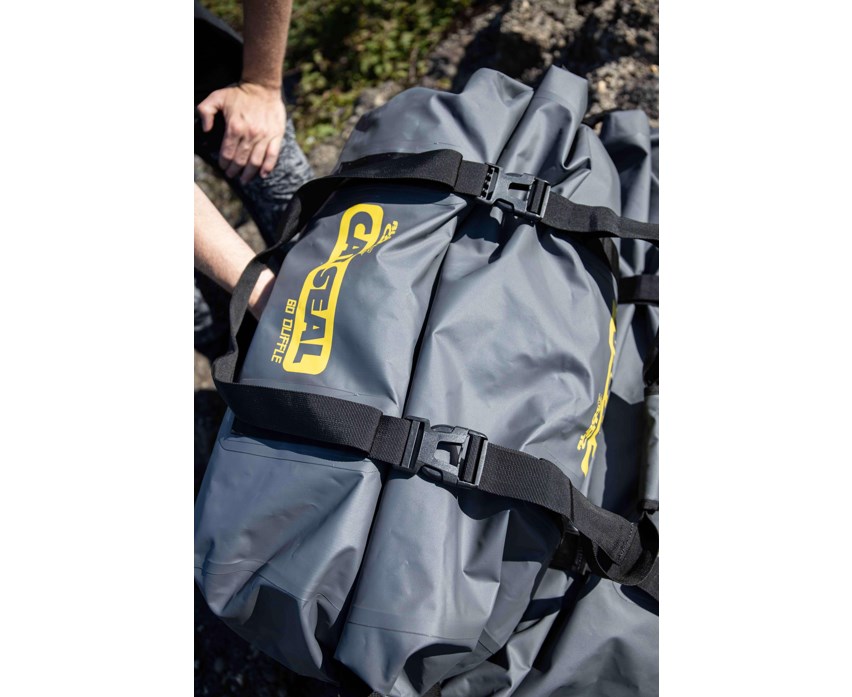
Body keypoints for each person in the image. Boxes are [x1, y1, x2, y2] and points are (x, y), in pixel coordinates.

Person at [194, 0, 313, 360]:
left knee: (312, 236)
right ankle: (243, 372)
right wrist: (259, 292)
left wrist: (261, 85)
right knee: (202, 320)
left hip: (201, 67)